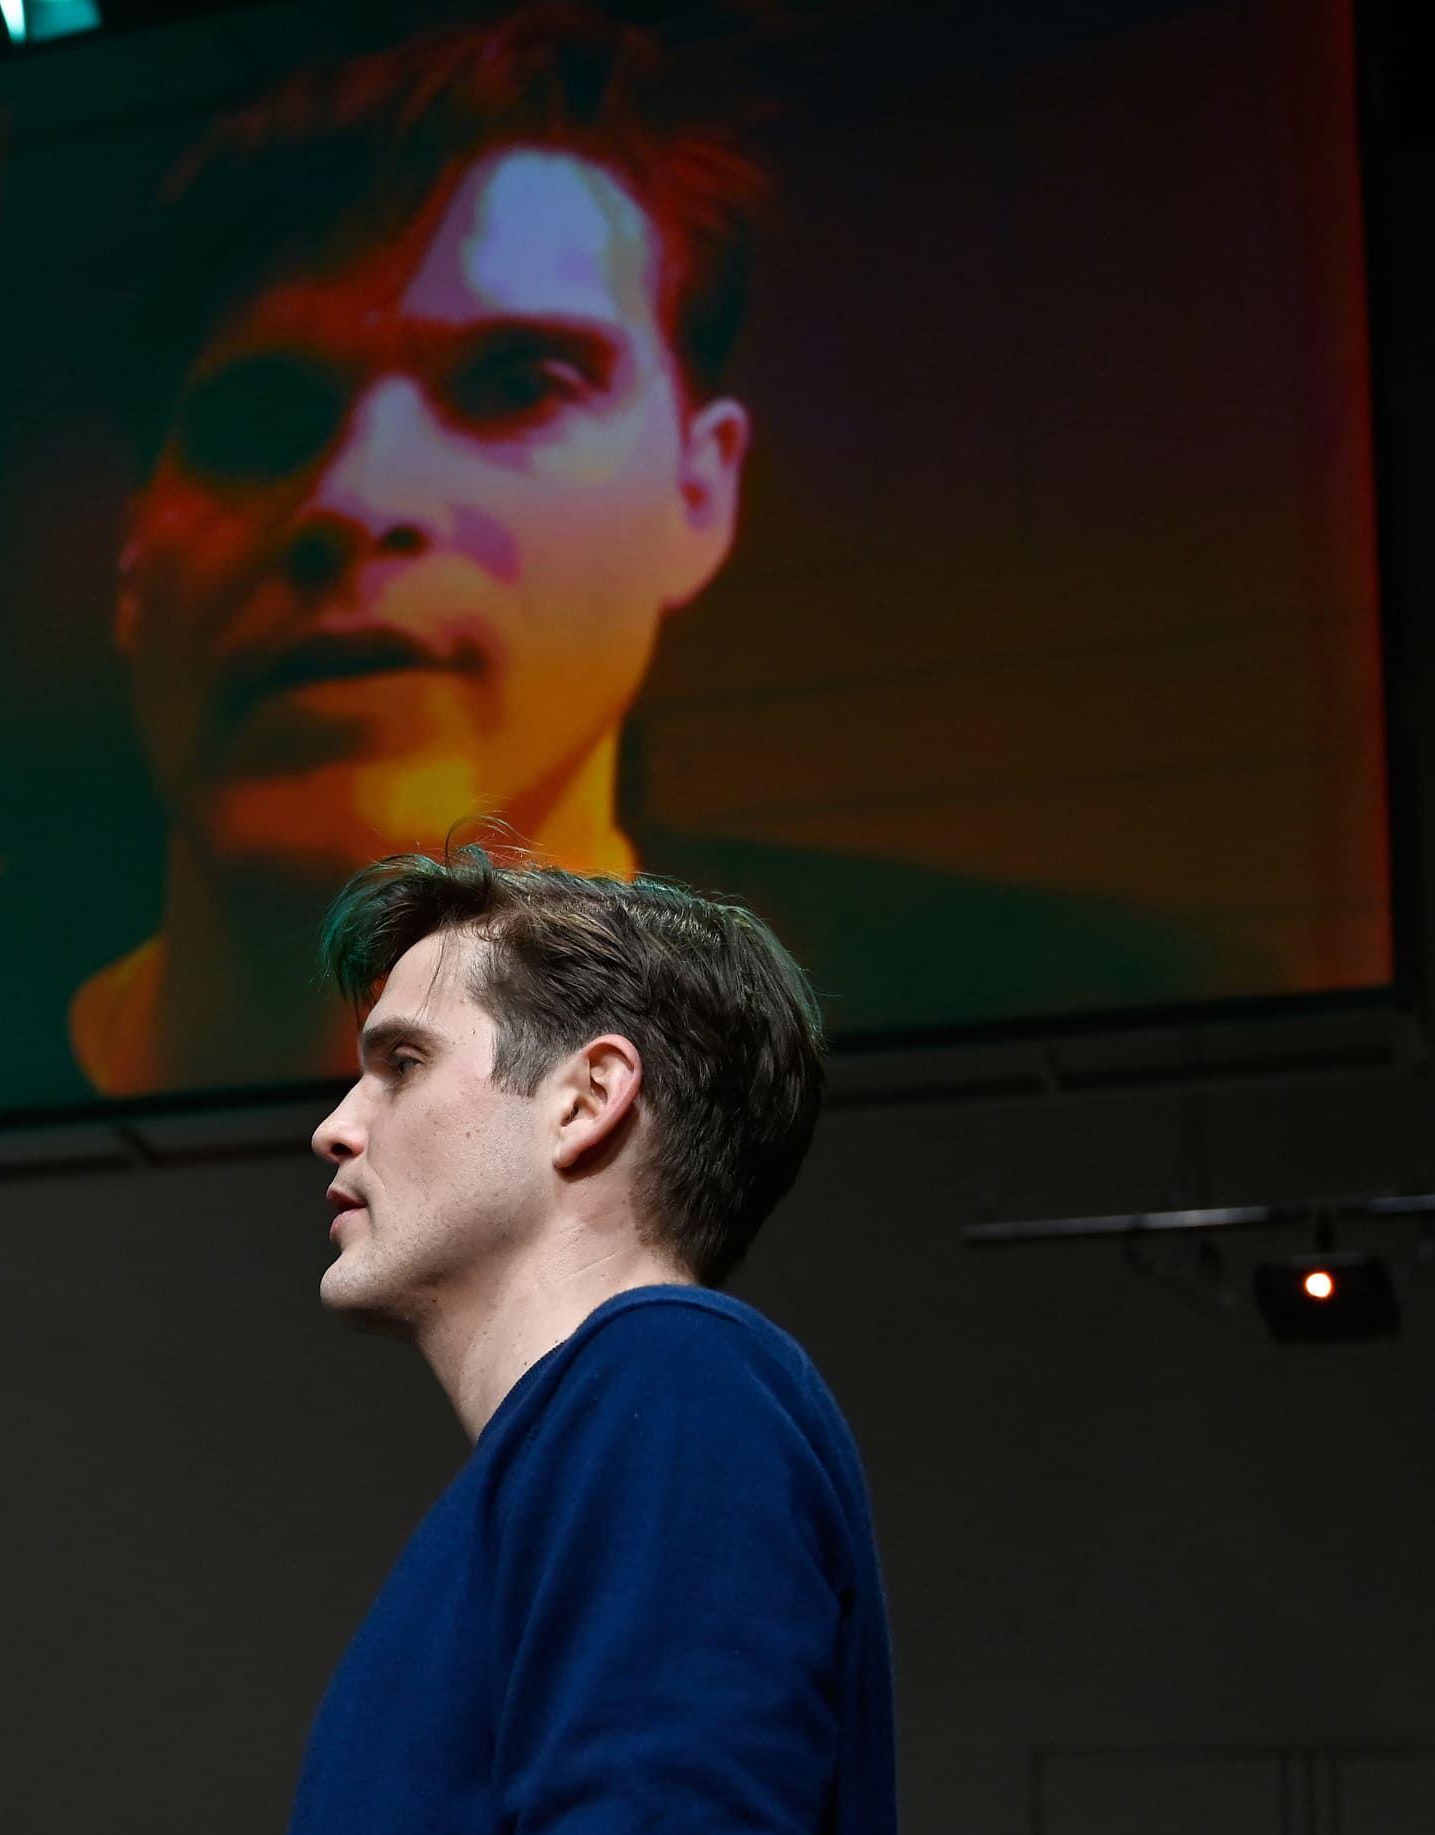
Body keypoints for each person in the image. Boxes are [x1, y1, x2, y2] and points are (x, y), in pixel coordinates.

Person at [72, 3, 1211, 1095]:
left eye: (518, 385)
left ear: (699, 491)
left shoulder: (1089, 1003)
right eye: (257, 418)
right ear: (132, 554)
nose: (352, 498)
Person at [192, 850, 902, 1835]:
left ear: (587, 1097)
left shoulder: (674, 1386)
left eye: (399, 1063)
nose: (335, 1123)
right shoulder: (581, 1449)